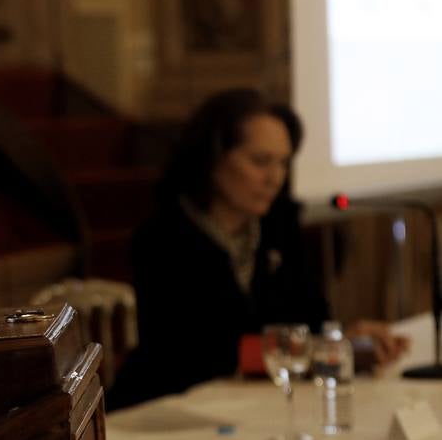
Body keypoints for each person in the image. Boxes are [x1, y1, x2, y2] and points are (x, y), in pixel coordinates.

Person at [108, 88, 407, 409]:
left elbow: (309, 318)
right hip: (169, 409)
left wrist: (346, 337)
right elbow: (197, 352)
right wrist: (317, 348)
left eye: (283, 163)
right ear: (212, 158)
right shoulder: (163, 237)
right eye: (260, 161)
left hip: (258, 403)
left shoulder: (279, 226)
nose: (275, 178)